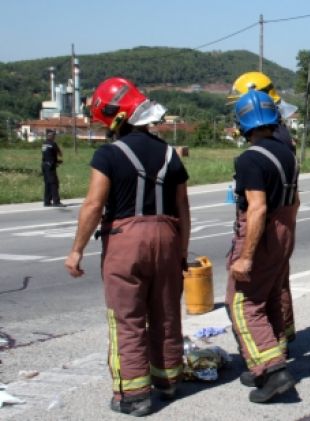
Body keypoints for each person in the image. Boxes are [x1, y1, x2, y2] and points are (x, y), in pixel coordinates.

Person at [63, 77, 191, 416]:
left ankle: (134, 395)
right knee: (165, 314)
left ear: (115, 119)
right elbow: (183, 209)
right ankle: (168, 382)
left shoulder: (108, 154)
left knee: (128, 319)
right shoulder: (169, 154)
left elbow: (93, 205)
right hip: (167, 237)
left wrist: (76, 250)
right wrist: (181, 252)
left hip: (125, 241)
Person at [226, 90, 299, 403]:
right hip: (284, 229)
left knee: (243, 304)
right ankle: (268, 358)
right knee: (269, 296)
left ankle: (273, 371)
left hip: (263, 231)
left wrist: (245, 257)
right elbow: (295, 202)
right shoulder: (287, 153)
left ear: (243, 124)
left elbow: (256, 209)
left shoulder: (250, 159)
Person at [41, 128, 64, 207]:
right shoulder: (53, 144)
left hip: (44, 165)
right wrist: (57, 160)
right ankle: (56, 201)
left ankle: (47, 201)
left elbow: (47, 155)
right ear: (50, 135)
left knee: (47, 183)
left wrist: (56, 161)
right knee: (54, 184)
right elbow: (60, 154)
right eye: (54, 135)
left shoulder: (44, 143)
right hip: (50, 166)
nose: (55, 136)